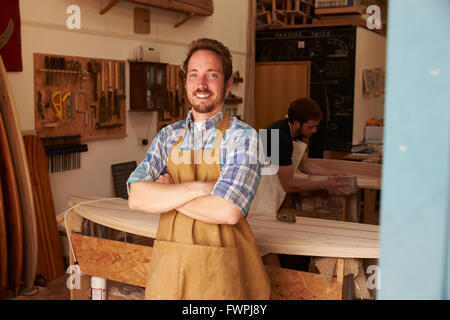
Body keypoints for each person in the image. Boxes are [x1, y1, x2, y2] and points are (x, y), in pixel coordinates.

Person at [127, 38, 270, 300]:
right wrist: (200, 188)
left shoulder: (244, 138)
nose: (201, 84)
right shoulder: (167, 136)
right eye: (194, 75)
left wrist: (168, 194)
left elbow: (228, 211)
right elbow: (136, 197)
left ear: (227, 83)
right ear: (185, 83)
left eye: (211, 75)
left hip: (220, 274)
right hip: (169, 270)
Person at [258, 97, 351, 269]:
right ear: (296, 122)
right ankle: (278, 289)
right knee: (264, 246)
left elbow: (305, 164)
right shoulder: (278, 138)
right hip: (258, 198)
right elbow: (289, 184)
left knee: (265, 247)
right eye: (311, 126)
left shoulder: (296, 134)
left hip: (270, 194)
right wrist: (326, 184)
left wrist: (332, 174)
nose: (315, 130)